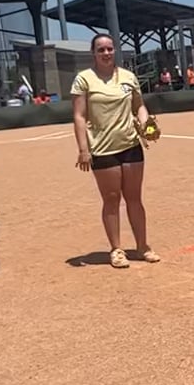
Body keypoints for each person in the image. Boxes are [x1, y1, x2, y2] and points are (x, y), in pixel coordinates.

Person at [71, 35, 159, 270]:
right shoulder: (84, 79)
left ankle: (142, 246)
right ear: (93, 53)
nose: (106, 53)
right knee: (111, 199)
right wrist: (83, 149)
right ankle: (116, 249)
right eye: (101, 49)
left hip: (130, 145)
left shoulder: (128, 77)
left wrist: (147, 124)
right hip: (102, 148)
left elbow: (139, 106)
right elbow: (79, 116)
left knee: (134, 198)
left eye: (109, 48)